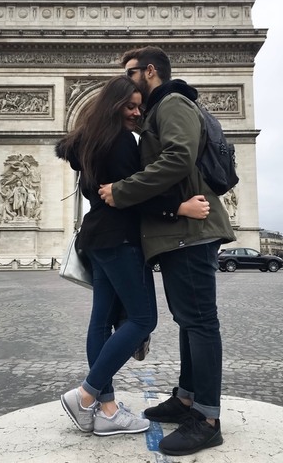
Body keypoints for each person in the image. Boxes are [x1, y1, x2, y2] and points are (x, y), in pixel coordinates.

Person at [98, 47, 236, 455]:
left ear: (150, 71)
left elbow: (179, 157)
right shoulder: (159, 110)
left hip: (190, 231)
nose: (126, 80)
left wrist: (122, 191)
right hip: (177, 233)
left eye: (130, 72)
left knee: (200, 321)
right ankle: (187, 398)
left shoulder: (172, 103)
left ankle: (207, 418)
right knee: (188, 320)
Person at [55, 75, 210, 437]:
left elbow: (111, 191)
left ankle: (107, 409)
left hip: (96, 239)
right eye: (130, 106)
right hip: (121, 238)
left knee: (102, 321)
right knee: (142, 319)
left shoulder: (88, 142)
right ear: (112, 105)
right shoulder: (121, 141)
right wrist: (178, 207)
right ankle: (87, 395)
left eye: (140, 106)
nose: (137, 112)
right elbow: (133, 192)